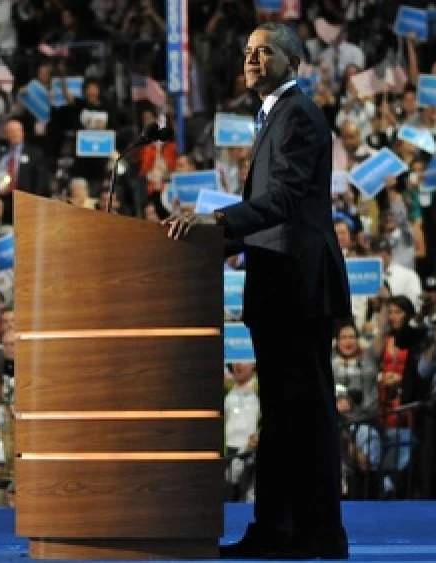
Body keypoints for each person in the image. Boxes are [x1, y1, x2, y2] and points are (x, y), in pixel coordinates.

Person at [163, 23, 350, 559]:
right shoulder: (273, 117)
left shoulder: (299, 116)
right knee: (286, 412)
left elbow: (286, 200)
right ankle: (282, 529)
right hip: (279, 281)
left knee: (303, 412)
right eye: (247, 51)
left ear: (292, 61)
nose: (251, 58)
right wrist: (206, 242)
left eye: (262, 50)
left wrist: (216, 225)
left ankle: (311, 533)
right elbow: (269, 215)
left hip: (297, 283)